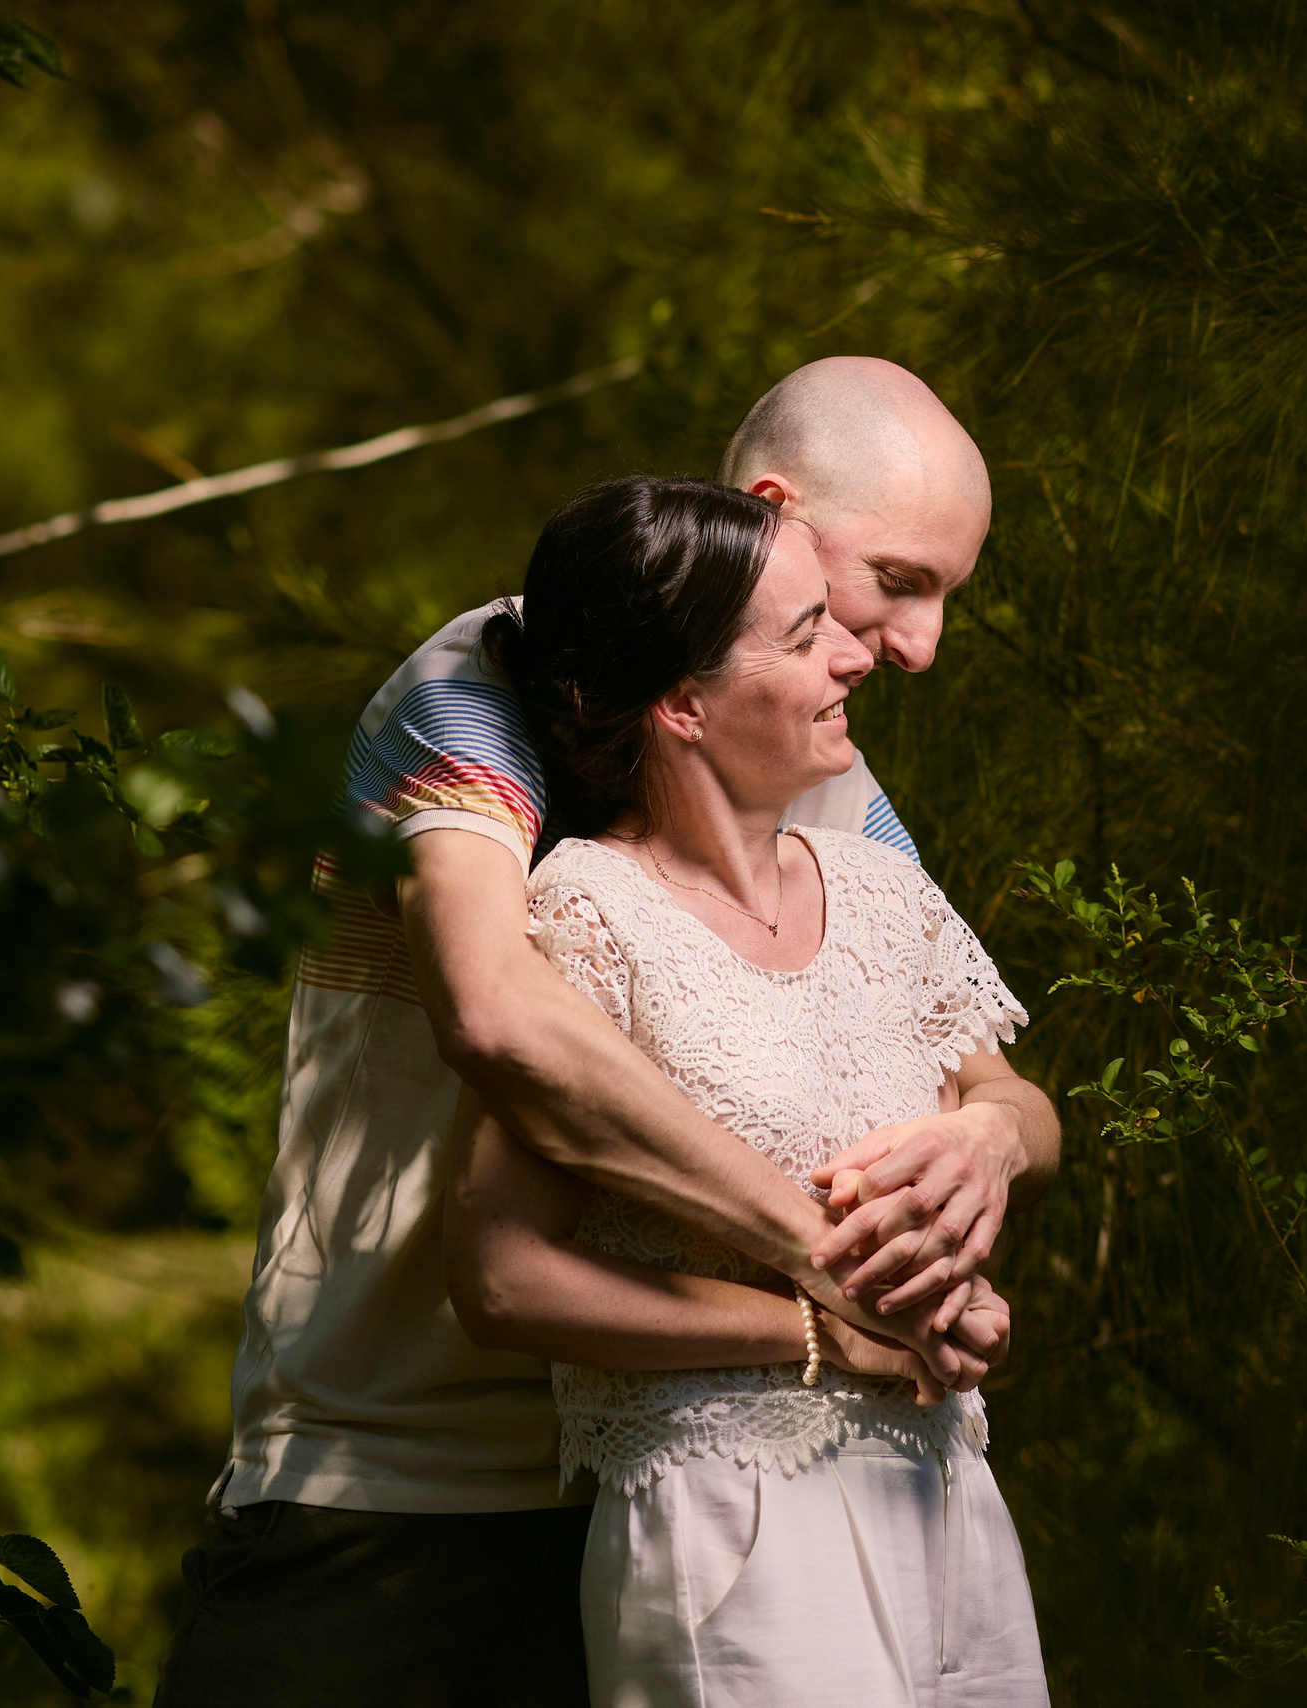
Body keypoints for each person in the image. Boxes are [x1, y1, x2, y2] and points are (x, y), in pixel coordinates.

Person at [154, 358, 1059, 1708]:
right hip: (404, 1475)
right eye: (904, 581)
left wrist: (990, 1138)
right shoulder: (486, 684)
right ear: (776, 516)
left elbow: (974, 1059)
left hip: (697, 1482)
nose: (921, 643)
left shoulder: (814, 766)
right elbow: (500, 1015)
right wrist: (832, 1273)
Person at [445, 475, 1046, 1705]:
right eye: (802, 633)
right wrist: (823, 1333)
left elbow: (1020, 1105)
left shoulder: (876, 887)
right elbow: (499, 1275)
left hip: (945, 1496)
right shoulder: (588, 914)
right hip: (730, 1525)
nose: (853, 656)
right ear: (680, 702)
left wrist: (979, 1179)